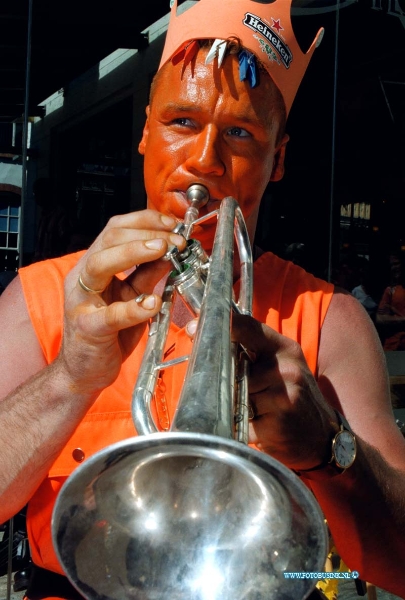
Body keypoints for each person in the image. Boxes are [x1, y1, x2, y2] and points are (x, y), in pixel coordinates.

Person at [0, 0, 405, 598]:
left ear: (279, 160)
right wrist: (68, 379)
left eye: (240, 133)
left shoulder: (328, 320)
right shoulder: (41, 294)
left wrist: (330, 450)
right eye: (181, 122)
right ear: (145, 132)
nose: (205, 162)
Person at [377, 253, 405, 350]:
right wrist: (403, 319)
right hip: (394, 345)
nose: (394, 268)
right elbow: (380, 318)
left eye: (397, 264)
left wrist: (394, 314)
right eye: (392, 265)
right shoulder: (390, 290)